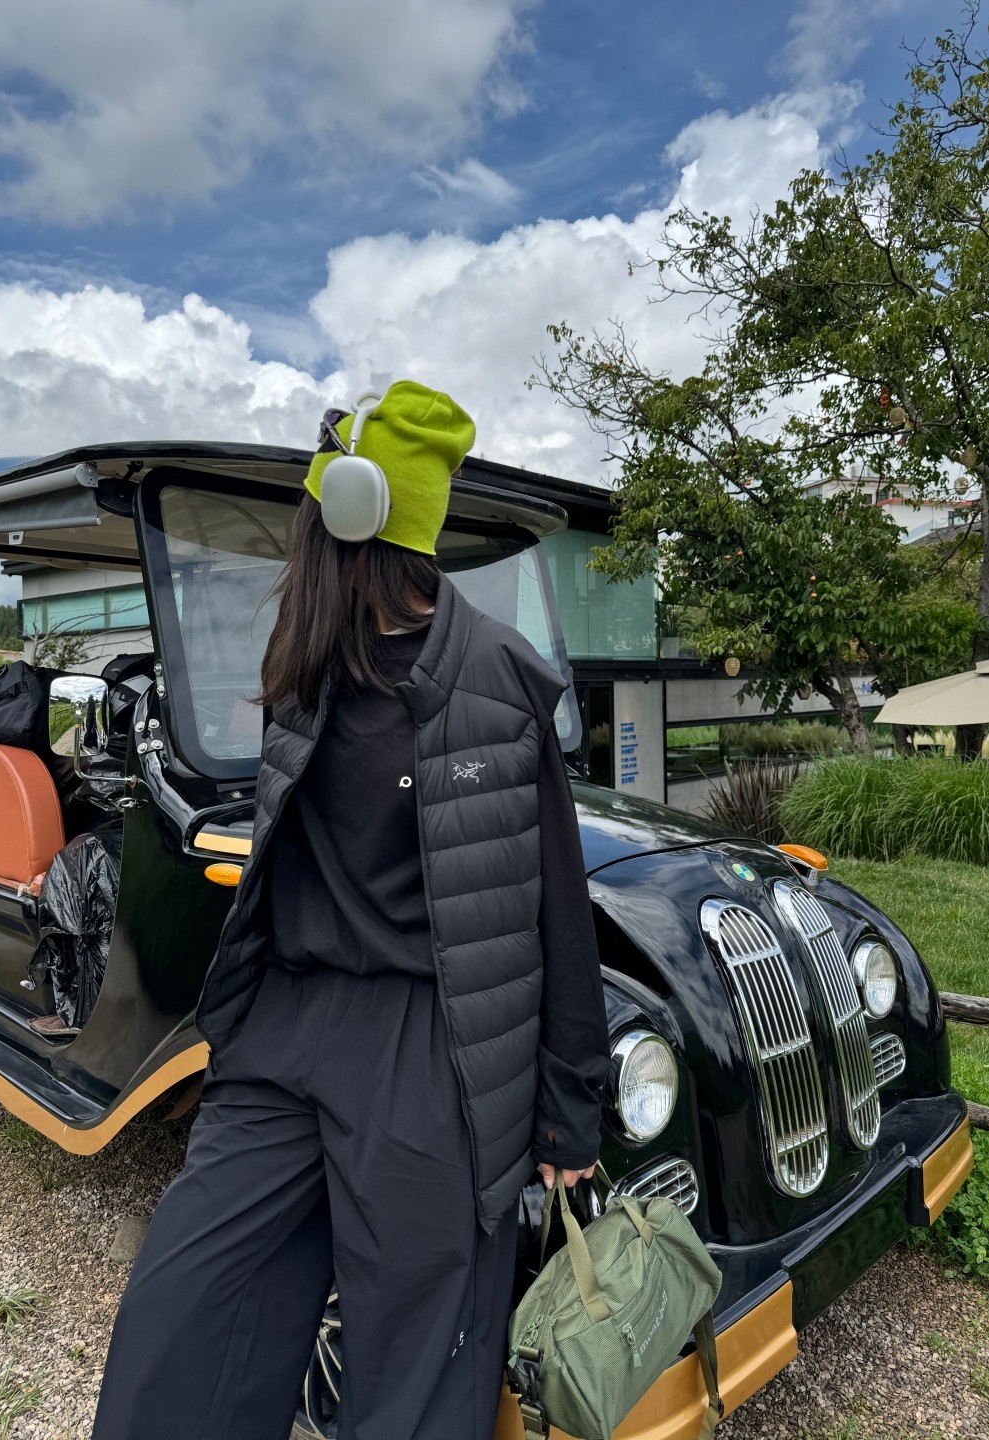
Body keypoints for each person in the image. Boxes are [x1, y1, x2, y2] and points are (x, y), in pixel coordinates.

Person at [90, 379, 612, 1440]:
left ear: (354, 517)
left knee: (416, 1369)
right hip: (288, 1026)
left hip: (428, 1051)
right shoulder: (303, 663)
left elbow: (558, 904)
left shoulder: (498, 682)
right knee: (186, 1322)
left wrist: (569, 1106)